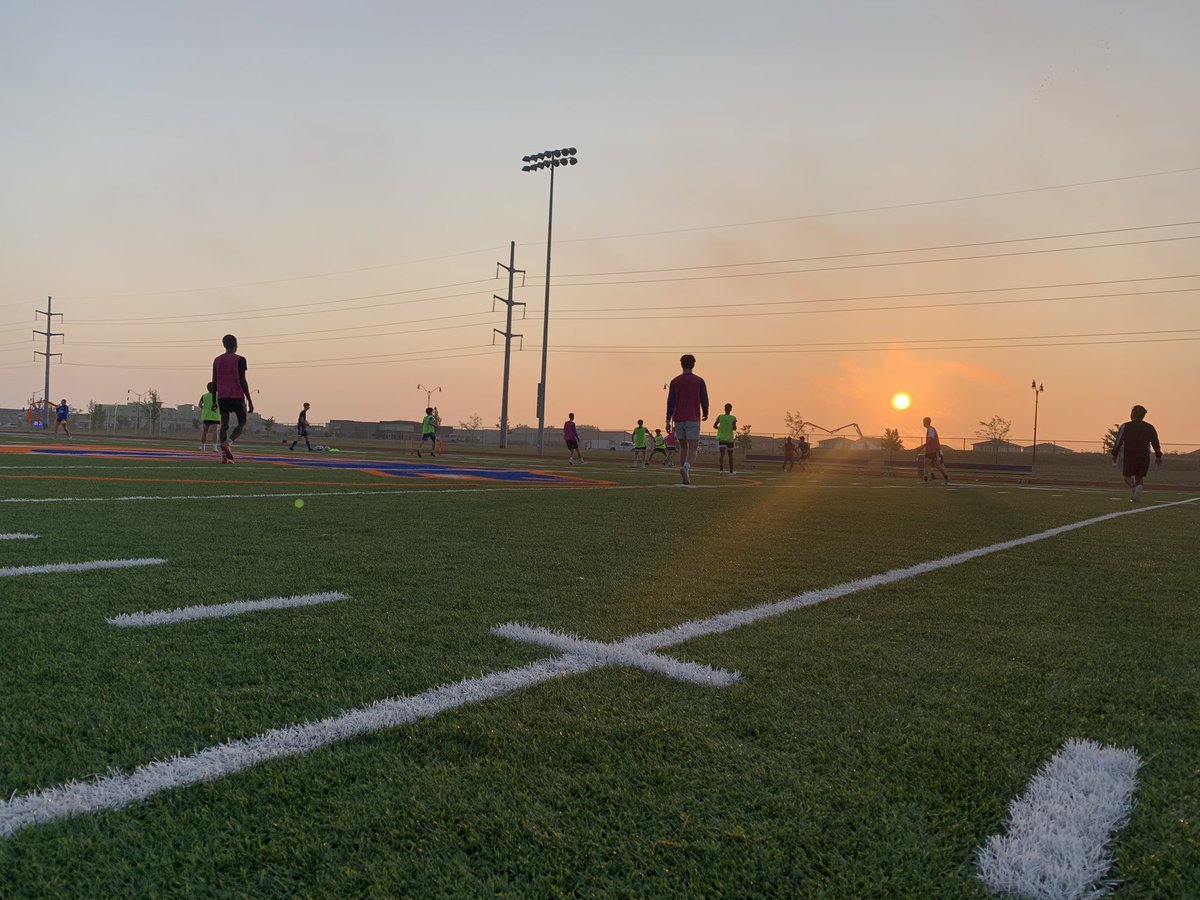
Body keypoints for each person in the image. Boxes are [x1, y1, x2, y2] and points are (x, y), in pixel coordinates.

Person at [666, 353, 709, 485]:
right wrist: (706, 412)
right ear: (693, 364)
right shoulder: (699, 381)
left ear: (681, 364)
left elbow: (670, 402)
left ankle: (685, 474)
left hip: (678, 418)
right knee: (693, 447)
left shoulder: (674, 381)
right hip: (693, 417)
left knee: (683, 447)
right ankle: (686, 468)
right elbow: (704, 399)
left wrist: (667, 419)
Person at [212, 334, 253, 463]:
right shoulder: (240, 359)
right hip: (236, 396)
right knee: (242, 423)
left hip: (222, 396)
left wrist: (214, 400)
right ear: (236, 345)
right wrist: (249, 400)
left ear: (224, 345)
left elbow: (214, 381)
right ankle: (228, 443)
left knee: (224, 424)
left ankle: (224, 456)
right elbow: (243, 380)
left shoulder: (217, 360)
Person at [1111, 404, 1162, 502]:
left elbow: (1118, 441)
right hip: (1144, 456)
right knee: (1139, 477)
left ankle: (1134, 488)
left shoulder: (1125, 426)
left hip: (1130, 455)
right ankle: (1136, 493)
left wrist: (1114, 454)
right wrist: (1158, 456)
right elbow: (1155, 442)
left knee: (1126, 476)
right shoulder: (1150, 427)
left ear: (1132, 414)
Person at [919, 416, 950, 484]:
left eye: (923, 422)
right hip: (929, 451)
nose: (923, 423)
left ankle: (946, 477)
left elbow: (930, 440)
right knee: (926, 464)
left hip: (935, 450)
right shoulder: (929, 430)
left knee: (938, 465)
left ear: (926, 422)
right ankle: (925, 480)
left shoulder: (931, 429)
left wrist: (922, 446)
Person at [714, 403, 738, 475]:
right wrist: (732, 425)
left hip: (722, 438)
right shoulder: (733, 418)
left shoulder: (720, 417)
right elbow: (734, 428)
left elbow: (714, 426)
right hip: (730, 439)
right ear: (731, 409)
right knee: (730, 455)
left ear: (724, 409)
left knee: (722, 455)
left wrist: (720, 429)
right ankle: (731, 471)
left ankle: (721, 470)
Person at [198, 382, 221, 451]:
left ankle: (203, 446)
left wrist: (206, 407)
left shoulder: (204, 396)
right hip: (215, 416)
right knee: (215, 432)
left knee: (205, 432)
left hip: (206, 416)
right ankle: (214, 448)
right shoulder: (219, 396)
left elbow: (200, 405)